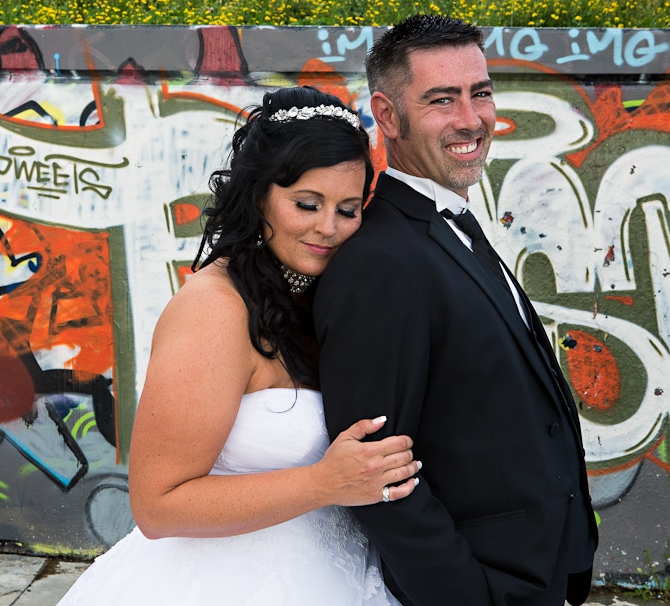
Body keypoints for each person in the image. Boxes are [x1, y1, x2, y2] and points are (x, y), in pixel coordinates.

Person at [58, 86, 421, 605]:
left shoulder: (322, 295)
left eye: (347, 209)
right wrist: (324, 483)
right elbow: (157, 506)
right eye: (306, 204)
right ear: (258, 196)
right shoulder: (215, 310)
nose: (329, 228)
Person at [314, 14, 598, 606]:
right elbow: (376, 474)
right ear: (388, 115)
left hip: (541, 570)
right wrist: (467, 594)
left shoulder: (452, 224)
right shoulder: (380, 261)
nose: (471, 119)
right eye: (442, 100)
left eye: (481, 93)